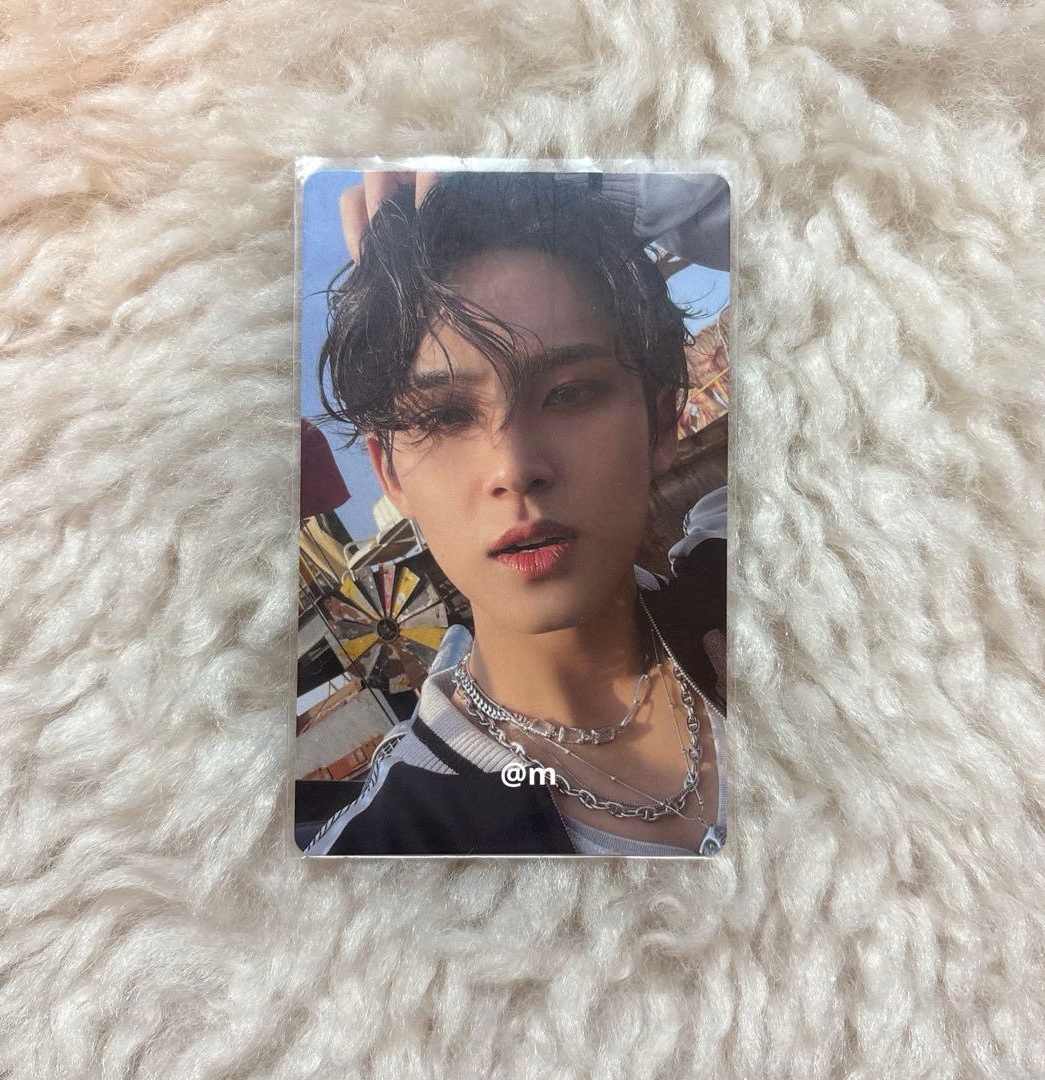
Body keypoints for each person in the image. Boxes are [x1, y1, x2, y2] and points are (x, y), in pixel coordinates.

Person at [304, 170, 728, 856]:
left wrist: (593, 187)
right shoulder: (385, 854)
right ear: (391, 476)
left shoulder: (765, 586)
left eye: (570, 393)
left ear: (660, 420)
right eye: (444, 416)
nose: (514, 467)